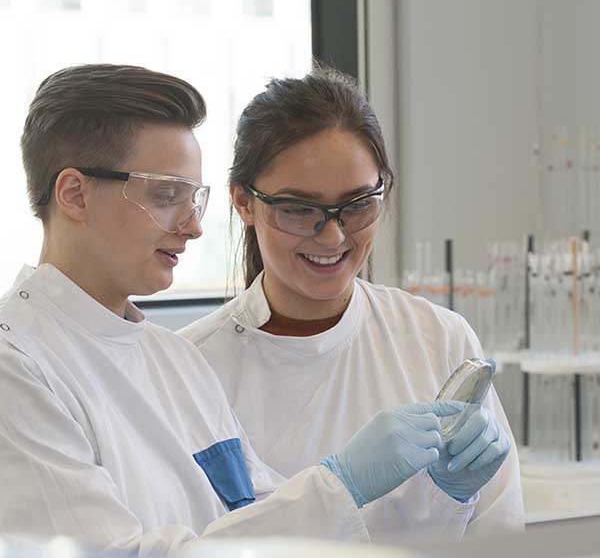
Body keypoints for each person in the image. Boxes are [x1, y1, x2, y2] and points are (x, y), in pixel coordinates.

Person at [0, 64, 473, 554]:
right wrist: (341, 484)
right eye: (165, 196)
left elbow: (264, 527)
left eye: (193, 199)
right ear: (75, 194)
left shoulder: (173, 361)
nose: (192, 226)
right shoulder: (16, 367)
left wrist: (441, 496)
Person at [180, 68, 524, 543]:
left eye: (358, 203)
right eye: (299, 209)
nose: (334, 235)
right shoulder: (190, 367)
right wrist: (344, 484)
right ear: (243, 202)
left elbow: (501, 534)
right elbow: (199, 546)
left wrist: (453, 495)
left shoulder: (438, 338)